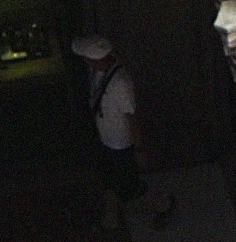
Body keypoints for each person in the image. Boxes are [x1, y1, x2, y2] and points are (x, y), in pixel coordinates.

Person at [74, 37, 175, 230]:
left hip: (120, 142)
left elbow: (132, 117)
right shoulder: (99, 73)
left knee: (129, 186)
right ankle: (111, 215)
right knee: (112, 178)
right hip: (106, 137)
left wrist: (138, 147)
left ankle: (162, 204)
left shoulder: (119, 83)